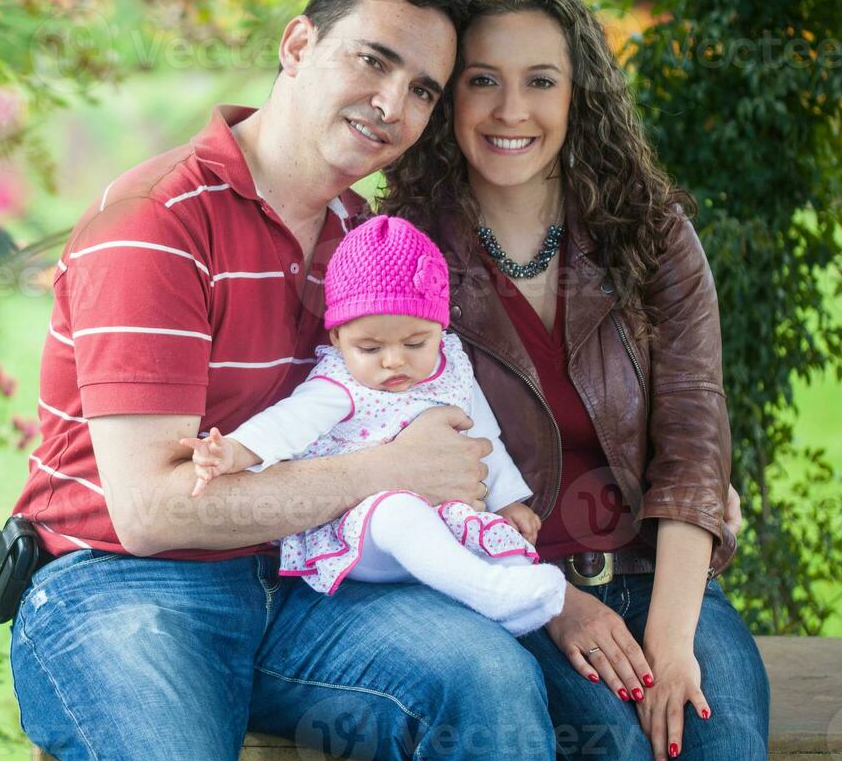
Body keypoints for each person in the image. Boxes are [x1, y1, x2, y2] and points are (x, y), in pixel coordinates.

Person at [5, 0, 560, 761]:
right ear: (298, 44)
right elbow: (152, 513)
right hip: (119, 584)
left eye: (423, 91)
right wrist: (385, 474)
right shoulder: (155, 223)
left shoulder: (364, 244)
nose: (393, 105)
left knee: (490, 685)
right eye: (375, 60)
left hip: (305, 576)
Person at [383, 0, 770, 761]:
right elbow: (394, 461)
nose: (510, 110)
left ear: (579, 95)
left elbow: (694, 446)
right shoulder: (404, 255)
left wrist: (671, 643)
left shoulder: (653, 236)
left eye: (540, 82)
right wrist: (550, 601)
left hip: (658, 577)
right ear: (449, 98)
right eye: (482, 80)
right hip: (514, 599)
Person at [179, 213, 567, 634]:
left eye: (415, 342)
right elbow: (286, 424)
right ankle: (484, 591)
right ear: (337, 339)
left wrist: (507, 500)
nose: (393, 360)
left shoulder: (453, 366)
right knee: (396, 510)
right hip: (366, 533)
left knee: (499, 535)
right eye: (369, 346)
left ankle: (515, 601)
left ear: (440, 327)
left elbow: (484, 439)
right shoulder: (340, 383)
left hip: (447, 519)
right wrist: (232, 452)